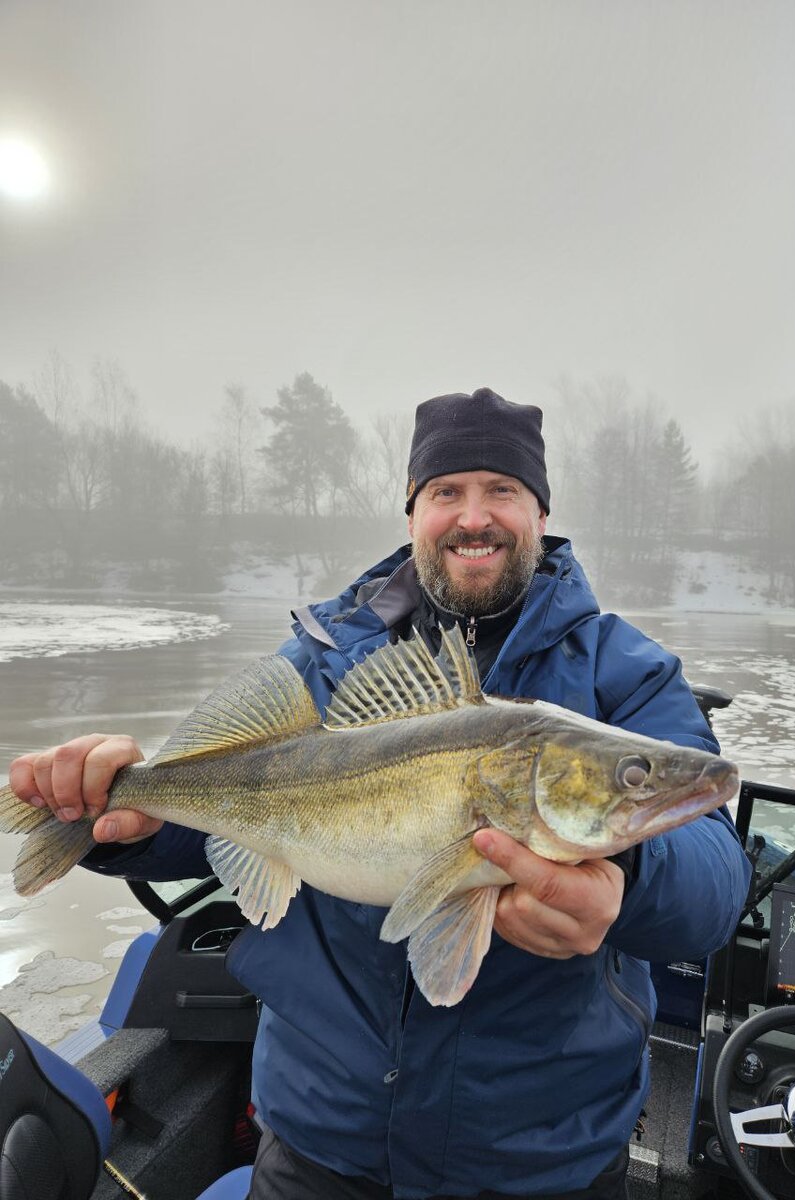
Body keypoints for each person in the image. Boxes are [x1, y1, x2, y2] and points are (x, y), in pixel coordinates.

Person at [9, 387, 751, 1200]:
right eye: (446, 493)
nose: (475, 516)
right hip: (319, 1141)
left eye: (502, 490)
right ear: (412, 515)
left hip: (542, 1160)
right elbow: (215, 828)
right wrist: (118, 816)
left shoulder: (627, 672)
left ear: (541, 512)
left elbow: (715, 877)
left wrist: (629, 880)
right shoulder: (322, 657)